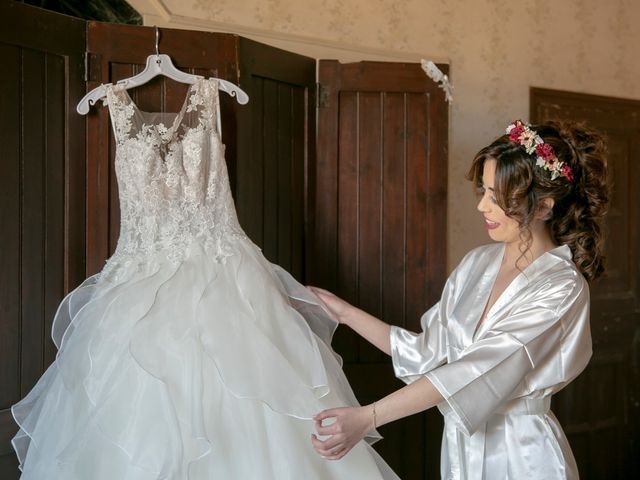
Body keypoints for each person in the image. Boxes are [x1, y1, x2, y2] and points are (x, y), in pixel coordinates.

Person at [11, 78, 399, 479]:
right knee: (137, 416)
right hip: (140, 288)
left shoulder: (211, 98)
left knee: (244, 408)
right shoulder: (114, 109)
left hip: (224, 282)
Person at [309, 119, 609, 479]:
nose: (483, 206)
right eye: (482, 191)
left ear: (544, 206)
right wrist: (341, 311)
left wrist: (367, 417)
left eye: (498, 198)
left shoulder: (561, 286)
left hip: (522, 454)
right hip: (462, 450)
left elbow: (474, 371)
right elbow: (425, 353)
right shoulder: (476, 264)